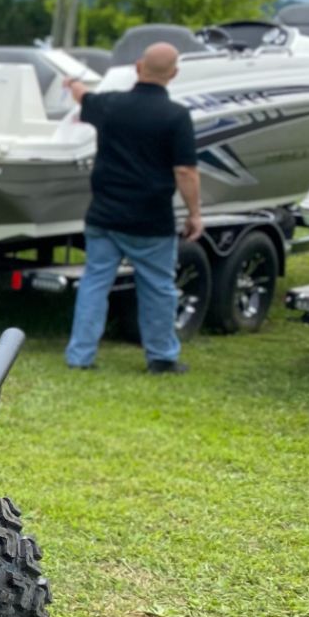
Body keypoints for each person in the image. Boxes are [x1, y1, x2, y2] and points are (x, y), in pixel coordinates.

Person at [61, 41, 203, 374]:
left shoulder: (109, 105)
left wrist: (72, 84)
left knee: (95, 283)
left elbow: (84, 96)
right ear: (175, 74)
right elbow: (185, 171)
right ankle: (161, 357)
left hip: (104, 217)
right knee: (158, 288)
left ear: (138, 67)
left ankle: (80, 357)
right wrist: (195, 213)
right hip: (150, 221)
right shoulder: (176, 116)